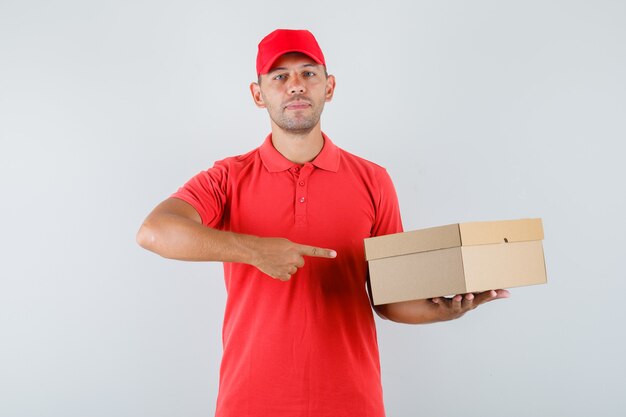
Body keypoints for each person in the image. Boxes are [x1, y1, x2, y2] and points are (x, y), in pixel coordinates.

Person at [136, 28, 509, 417]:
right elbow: (154, 231)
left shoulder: (373, 179)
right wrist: (255, 250)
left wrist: (446, 310)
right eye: (279, 76)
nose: (295, 86)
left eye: (308, 74)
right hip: (250, 401)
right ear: (257, 94)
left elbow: (390, 300)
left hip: (351, 401)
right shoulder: (228, 177)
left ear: (329, 87)